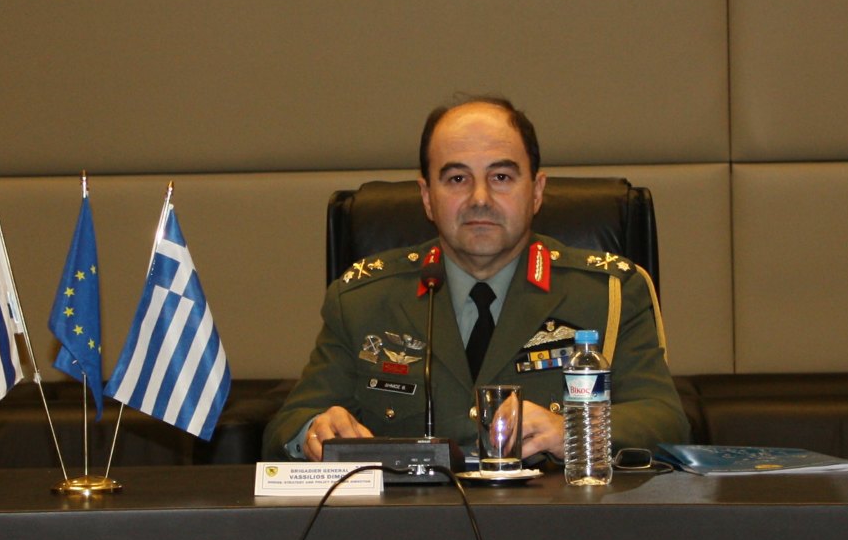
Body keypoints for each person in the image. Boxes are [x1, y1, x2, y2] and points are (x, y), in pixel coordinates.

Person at [264, 97, 689, 462]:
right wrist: (314, 431)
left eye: (501, 177)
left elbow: (666, 421)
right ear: (427, 197)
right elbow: (287, 428)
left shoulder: (609, 293)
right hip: (408, 524)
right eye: (457, 179)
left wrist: (574, 431)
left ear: (536, 191)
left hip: (553, 520)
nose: (480, 199)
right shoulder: (363, 299)